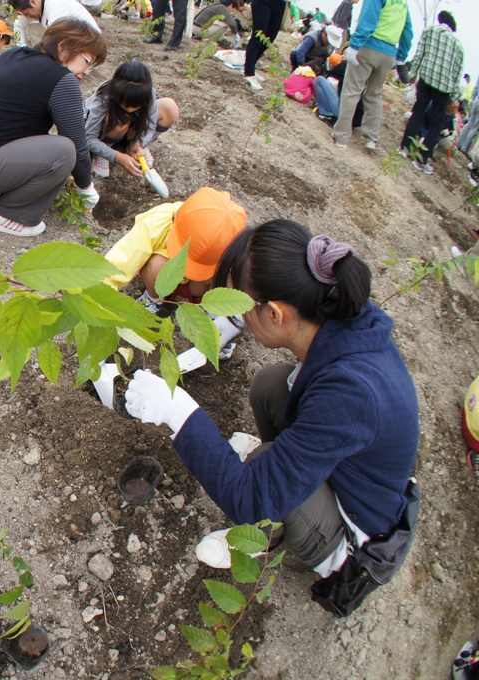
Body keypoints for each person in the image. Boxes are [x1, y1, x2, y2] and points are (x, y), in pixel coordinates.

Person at [125, 220, 419, 588]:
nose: (238, 317)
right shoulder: (338, 311)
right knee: (270, 386)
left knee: (263, 468)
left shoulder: (350, 393)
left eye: (243, 307)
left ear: (277, 314)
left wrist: (177, 412)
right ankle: (286, 474)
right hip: (354, 464)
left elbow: (250, 498)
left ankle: (268, 533)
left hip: (357, 530)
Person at [0, 19, 107, 237]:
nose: (88, 71)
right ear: (63, 46)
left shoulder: (14, 55)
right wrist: (86, 188)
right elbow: (78, 147)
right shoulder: (62, 81)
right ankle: (7, 213)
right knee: (63, 151)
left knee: (50, 144)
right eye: (87, 61)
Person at [102, 187, 245, 316]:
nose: (187, 267)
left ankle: (215, 313)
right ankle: (154, 300)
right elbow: (120, 261)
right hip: (163, 277)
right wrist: (100, 298)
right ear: (174, 218)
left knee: (226, 279)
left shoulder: (233, 241)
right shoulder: (156, 223)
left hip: (198, 286)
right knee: (155, 264)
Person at [331, 0, 412, 150]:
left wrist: (354, 45)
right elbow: (408, 31)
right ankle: (371, 139)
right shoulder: (403, 3)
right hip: (388, 54)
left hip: (369, 47)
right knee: (374, 94)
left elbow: (368, 20)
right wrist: (401, 56)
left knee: (352, 90)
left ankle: (341, 136)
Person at [84, 60, 179, 179]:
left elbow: (150, 127)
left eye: (137, 105)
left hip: (130, 133)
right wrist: (116, 156)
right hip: (106, 132)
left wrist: (139, 143)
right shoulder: (103, 98)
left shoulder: (149, 95)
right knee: (120, 120)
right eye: (125, 104)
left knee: (170, 107)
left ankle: (132, 147)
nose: (130, 109)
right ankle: (103, 151)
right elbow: (88, 137)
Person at [397, 11, 464, 175]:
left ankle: (404, 148)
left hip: (427, 79)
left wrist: (413, 75)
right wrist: (455, 97)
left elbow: (420, 54)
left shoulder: (430, 31)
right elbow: (457, 74)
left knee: (417, 113)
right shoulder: (458, 45)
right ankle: (420, 160)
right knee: (436, 125)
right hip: (444, 87)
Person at [7, 0, 100, 48]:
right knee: (34, 28)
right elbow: (18, 25)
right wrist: (22, 48)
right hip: (68, 37)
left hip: (88, 42)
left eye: (27, 13)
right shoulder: (35, 7)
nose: (27, 16)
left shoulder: (55, 6)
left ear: (33, 2)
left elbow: (55, 38)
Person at [243, 0, 288, 90]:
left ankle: (249, 65)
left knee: (269, 39)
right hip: (263, 2)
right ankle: (249, 73)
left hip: (280, 3)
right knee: (258, 37)